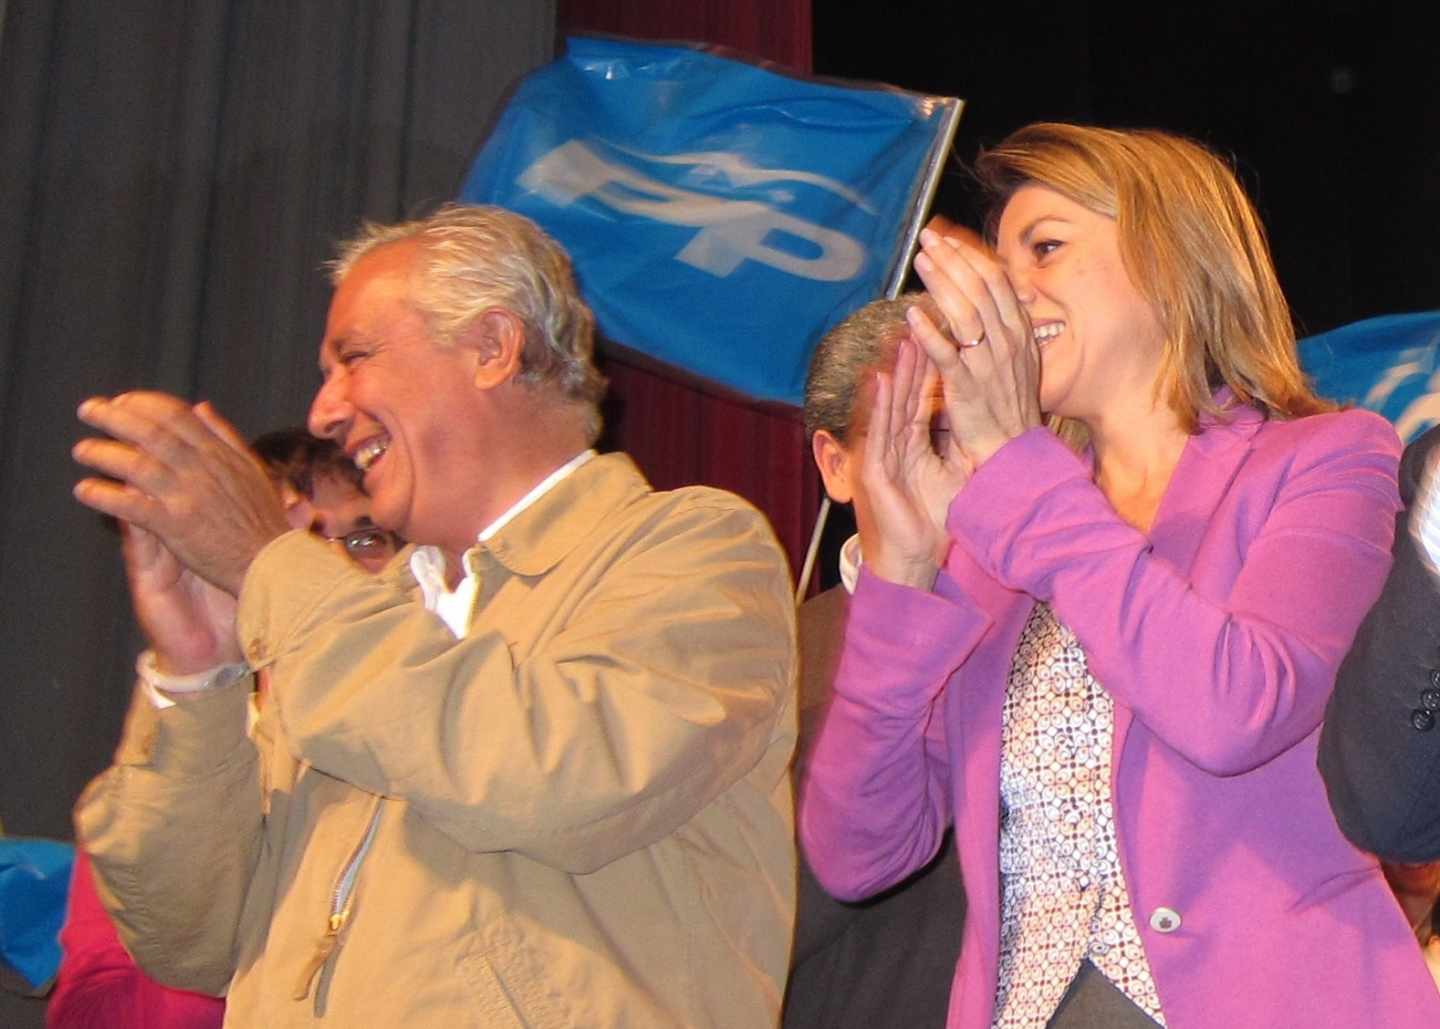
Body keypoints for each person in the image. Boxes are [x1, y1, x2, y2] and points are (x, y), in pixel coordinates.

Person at [69, 205, 798, 1027]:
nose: (323, 412)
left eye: (354, 358)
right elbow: (188, 938)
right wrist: (201, 674)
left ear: (492, 346)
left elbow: (556, 778)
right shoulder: (357, 622)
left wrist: (266, 565)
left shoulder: (692, 546)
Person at [798, 122, 1436, 1028]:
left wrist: (1020, 466)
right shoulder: (999, 536)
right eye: (999, 259)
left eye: (1047, 247)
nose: (1011, 293)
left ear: (1173, 258)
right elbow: (857, 852)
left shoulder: (1325, 461)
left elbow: (1234, 707)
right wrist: (902, 571)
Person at [48, 430, 396, 1029]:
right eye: (295, 543)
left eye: (364, 539)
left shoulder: (437, 741)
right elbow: (89, 1013)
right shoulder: (176, 759)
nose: (331, 565)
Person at [783, 294, 967, 1029]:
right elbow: (749, 916)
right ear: (835, 463)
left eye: (990, 426)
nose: (967, 467)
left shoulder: (1086, 625)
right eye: (928, 434)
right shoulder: (770, 663)